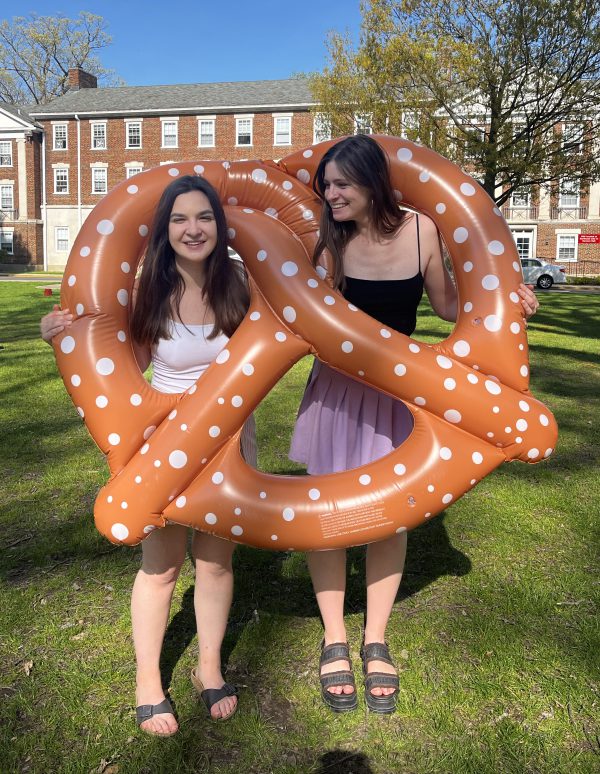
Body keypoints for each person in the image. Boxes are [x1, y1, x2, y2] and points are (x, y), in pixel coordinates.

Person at [289, 134, 539, 714]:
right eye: (326, 185)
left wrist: (511, 297)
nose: (330, 194)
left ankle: (375, 637)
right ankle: (334, 639)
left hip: (398, 391)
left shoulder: (423, 229)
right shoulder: (325, 241)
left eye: (342, 184)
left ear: (374, 182)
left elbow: (451, 304)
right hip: (337, 391)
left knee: (388, 516)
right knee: (326, 513)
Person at [41, 175, 255, 736]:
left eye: (204, 217)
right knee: (161, 567)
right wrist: (58, 332)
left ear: (219, 225)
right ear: (164, 229)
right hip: (167, 442)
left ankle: (209, 668)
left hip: (233, 441)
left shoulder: (243, 285)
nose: (193, 229)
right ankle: (148, 680)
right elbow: (116, 361)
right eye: (180, 218)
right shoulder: (148, 291)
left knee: (214, 562)